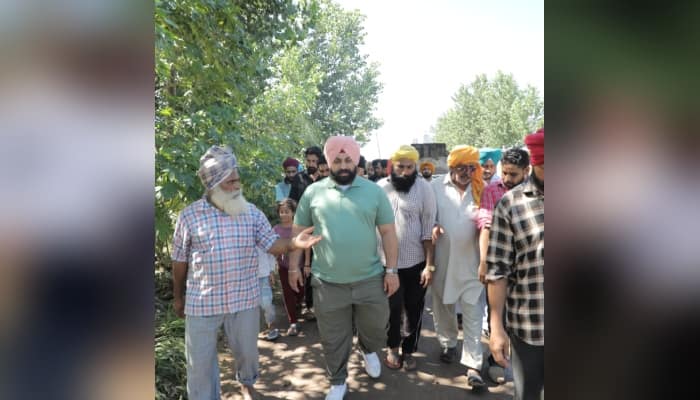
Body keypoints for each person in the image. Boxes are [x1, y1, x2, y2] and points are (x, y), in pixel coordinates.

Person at [171, 145, 321, 400]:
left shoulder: (251, 213)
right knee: (199, 365)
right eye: (230, 182)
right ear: (213, 185)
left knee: (248, 354)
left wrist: (294, 243)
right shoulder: (189, 216)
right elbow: (179, 260)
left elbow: (271, 243)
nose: (237, 186)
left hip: (244, 298)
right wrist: (178, 296)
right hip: (202, 302)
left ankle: (247, 383)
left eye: (237, 180)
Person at [289, 135, 399, 400]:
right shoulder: (313, 192)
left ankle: (367, 348)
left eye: (348, 160)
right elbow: (298, 232)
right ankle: (338, 380)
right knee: (333, 337)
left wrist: (392, 271)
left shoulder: (374, 191)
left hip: (370, 279)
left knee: (376, 327)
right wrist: (294, 268)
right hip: (327, 283)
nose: (343, 165)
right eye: (337, 161)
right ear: (329, 162)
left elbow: (388, 232)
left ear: (356, 160)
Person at [486, 129, 544, 400]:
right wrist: (497, 328)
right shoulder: (511, 204)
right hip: (530, 327)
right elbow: (497, 271)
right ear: (536, 164)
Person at [430, 145, 487, 390]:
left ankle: (473, 366)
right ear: (452, 167)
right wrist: (433, 226)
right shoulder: (435, 187)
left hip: (474, 264)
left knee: (474, 312)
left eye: (472, 168)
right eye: (462, 168)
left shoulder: (482, 189)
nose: (467, 173)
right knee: (443, 307)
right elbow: (428, 217)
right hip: (443, 260)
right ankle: (448, 343)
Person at [376, 145, 436, 372]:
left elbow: (428, 228)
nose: (404, 171)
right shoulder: (380, 188)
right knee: (391, 307)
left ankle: (409, 350)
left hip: (415, 262)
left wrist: (429, 265)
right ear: (393, 166)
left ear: (415, 167)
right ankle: (392, 347)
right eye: (400, 166)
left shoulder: (424, 189)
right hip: (386, 262)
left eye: (409, 167)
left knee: (414, 308)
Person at [476, 147, 530, 382]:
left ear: (527, 171)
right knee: (497, 314)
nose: (507, 178)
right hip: (501, 264)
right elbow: (486, 227)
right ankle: (496, 360)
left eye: (513, 174)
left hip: (528, 267)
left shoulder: (537, 193)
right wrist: (484, 262)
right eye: (504, 172)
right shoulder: (492, 191)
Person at [273, 198, 305, 336]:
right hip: (283, 266)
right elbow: (272, 246)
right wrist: (274, 261)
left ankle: (298, 303)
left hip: (299, 266)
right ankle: (293, 321)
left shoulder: (298, 228)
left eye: (287, 211)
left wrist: (307, 264)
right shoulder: (276, 229)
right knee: (287, 293)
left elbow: (306, 247)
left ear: (293, 212)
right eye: (281, 212)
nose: (284, 214)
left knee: (300, 290)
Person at [257, 246, 279, 341]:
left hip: (264, 274)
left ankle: (271, 326)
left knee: (267, 303)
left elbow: (270, 253)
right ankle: (251, 331)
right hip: (247, 276)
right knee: (250, 307)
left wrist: (271, 271)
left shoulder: (263, 237)